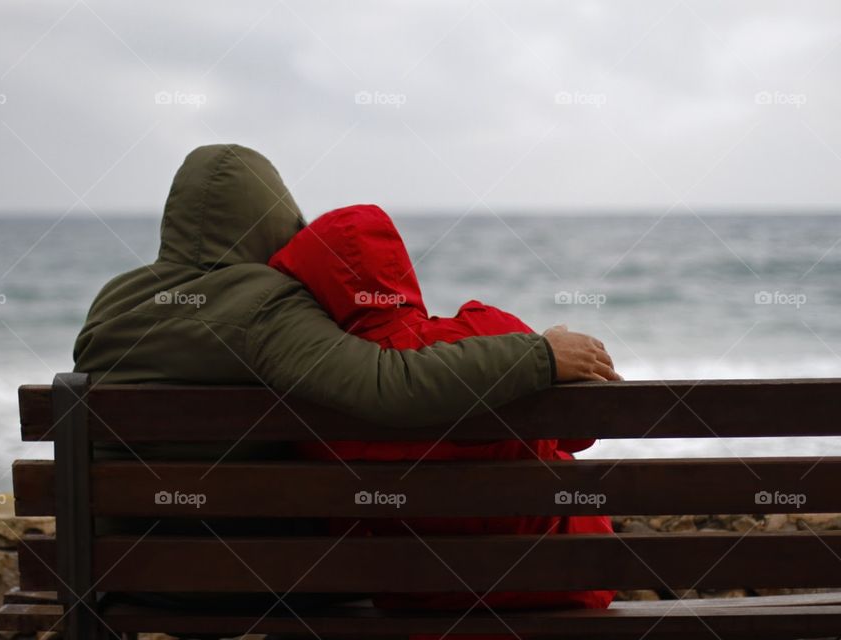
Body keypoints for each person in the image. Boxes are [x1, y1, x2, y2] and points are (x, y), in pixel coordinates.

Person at [72, 144, 620, 627]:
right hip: (251, 577)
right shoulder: (262, 302)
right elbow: (387, 385)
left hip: (126, 571)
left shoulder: (114, 300)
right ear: (272, 222)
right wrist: (539, 355)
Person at [268, 203, 616, 623]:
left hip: (417, 600)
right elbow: (582, 433)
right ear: (396, 266)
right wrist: (550, 349)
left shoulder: (314, 390)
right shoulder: (488, 332)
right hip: (558, 582)